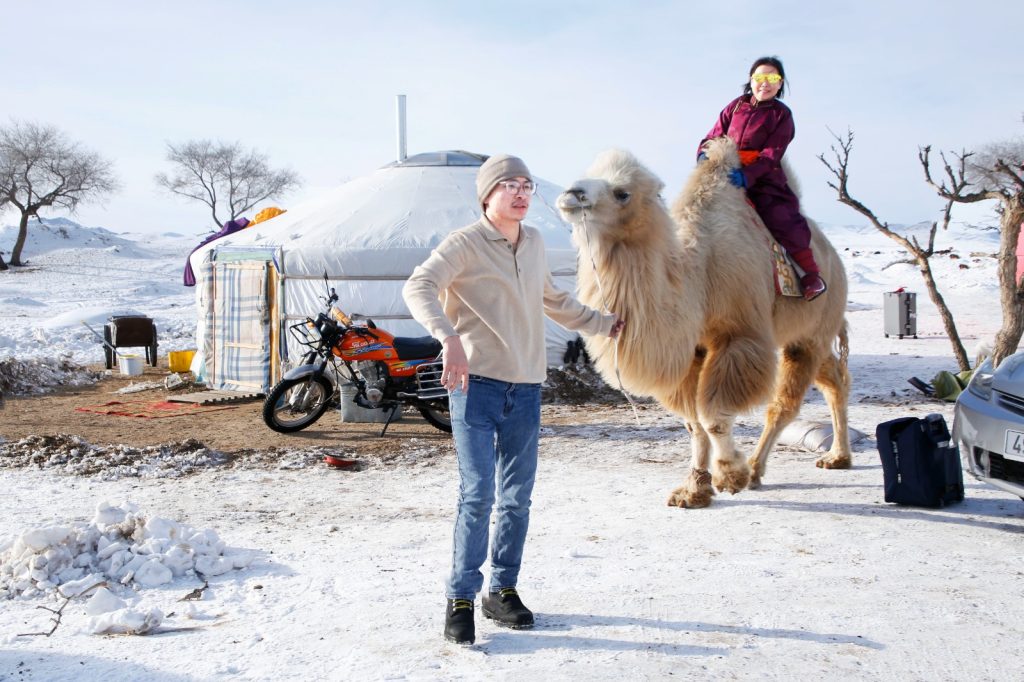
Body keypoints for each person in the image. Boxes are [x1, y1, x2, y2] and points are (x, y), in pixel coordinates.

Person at [403, 154, 624, 645]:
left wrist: (604, 323)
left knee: (517, 499)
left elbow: (553, 300)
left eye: (526, 184)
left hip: (526, 389)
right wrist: (448, 337)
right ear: (487, 195)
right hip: (476, 387)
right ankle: (460, 597)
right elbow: (418, 285)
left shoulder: (536, 242)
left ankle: (501, 591)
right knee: (478, 494)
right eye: (509, 185)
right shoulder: (464, 243)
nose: (522, 193)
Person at [699, 55, 827, 301]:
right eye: (759, 77)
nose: (764, 83)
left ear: (780, 84)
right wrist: (704, 155)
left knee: (782, 218)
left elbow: (772, 153)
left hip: (763, 178)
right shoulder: (735, 107)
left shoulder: (781, 115)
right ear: (751, 80)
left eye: (772, 78)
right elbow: (713, 135)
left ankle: (811, 275)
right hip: (725, 172)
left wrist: (748, 175)